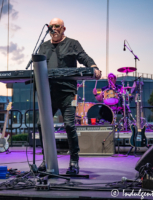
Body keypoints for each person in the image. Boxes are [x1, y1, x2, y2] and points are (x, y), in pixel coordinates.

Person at [37, 18, 101, 175]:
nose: (54, 29)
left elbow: (83, 56)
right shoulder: (44, 46)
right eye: (51, 26)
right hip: (48, 94)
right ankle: (47, 160)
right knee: (41, 125)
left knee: (69, 125)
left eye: (57, 26)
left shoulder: (73, 43)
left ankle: (74, 161)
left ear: (63, 28)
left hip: (67, 93)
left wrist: (93, 66)